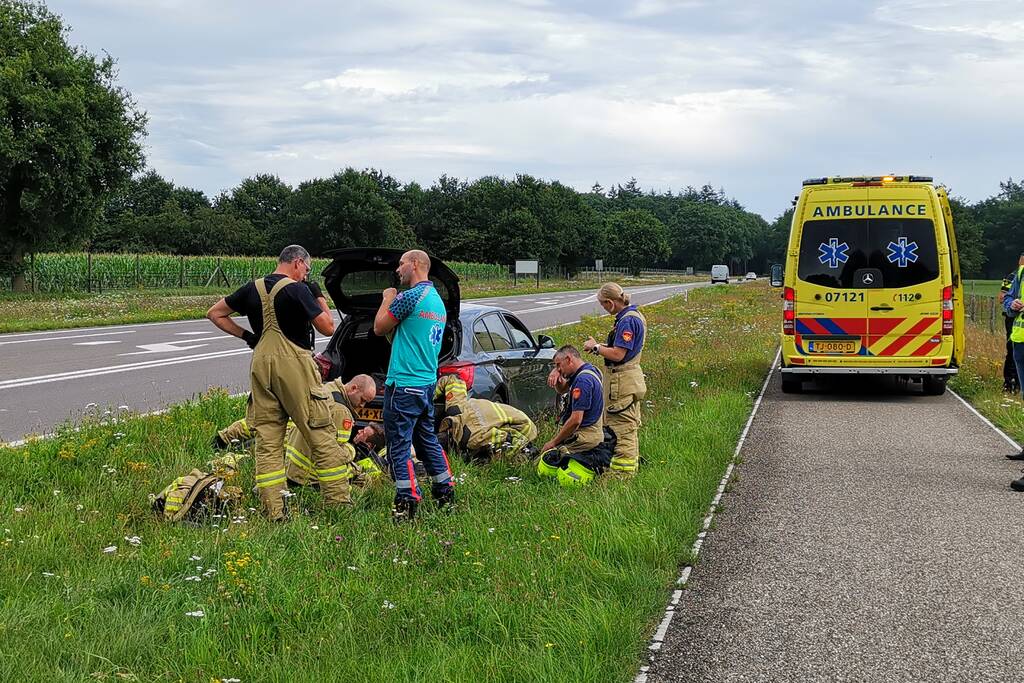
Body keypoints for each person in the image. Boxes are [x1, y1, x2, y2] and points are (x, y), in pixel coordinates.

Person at [206, 244, 352, 520]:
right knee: (319, 432)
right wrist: (318, 295)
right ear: (297, 263)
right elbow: (328, 327)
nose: (306, 276)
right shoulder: (298, 290)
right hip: (294, 365)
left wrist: (249, 337)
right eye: (307, 270)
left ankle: (275, 511)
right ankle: (338, 504)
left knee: (269, 442)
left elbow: (215, 313)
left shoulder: (251, 289)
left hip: (261, 366)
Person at [373, 249, 455, 521]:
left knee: (398, 445)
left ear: (416, 264)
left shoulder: (409, 297)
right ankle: (445, 490)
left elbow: (379, 327)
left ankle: (406, 502)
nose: (398, 270)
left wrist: (387, 298)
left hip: (404, 383)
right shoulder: (437, 302)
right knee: (426, 440)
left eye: (401, 264)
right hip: (426, 384)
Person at [212, 375, 378, 487]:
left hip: (289, 450)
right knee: (363, 479)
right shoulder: (341, 412)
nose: (362, 406)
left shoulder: (327, 389)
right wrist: (352, 451)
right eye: (363, 400)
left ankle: (226, 447)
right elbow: (334, 455)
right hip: (306, 472)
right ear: (354, 388)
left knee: (257, 445)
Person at [583, 282, 648, 475]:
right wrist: (603, 347)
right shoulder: (633, 316)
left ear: (611, 303)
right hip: (629, 379)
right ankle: (628, 469)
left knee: (620, 428)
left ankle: (622, 476)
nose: (603, 308)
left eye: (603, 304)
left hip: (622, 382)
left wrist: (596, 347)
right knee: (628, 426)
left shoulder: (627, 321)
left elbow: (619, 354)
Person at [539, 345, 614, 486]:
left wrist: (554, 442)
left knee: (544, 463)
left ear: (568, 359)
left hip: (584, 436)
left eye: (558, 365)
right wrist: (558, 375)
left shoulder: (583, 381)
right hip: (593, 434)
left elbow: (575, 420)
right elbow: (562, 389)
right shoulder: (589, 370)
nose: (558, 369)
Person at [434, 375, 539, 463]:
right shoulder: (456, 407)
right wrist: (430, 397)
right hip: (514, 415)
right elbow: (452, 379)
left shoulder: (474, 438)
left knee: (491, 456)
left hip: (526, 429)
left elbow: (512, 440)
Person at [999, 256, 1024, 393]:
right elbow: (1003, 297)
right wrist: (1012, 304)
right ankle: (1010, 382)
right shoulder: (1015, 275)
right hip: (1015, 322)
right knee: (1012, 351)